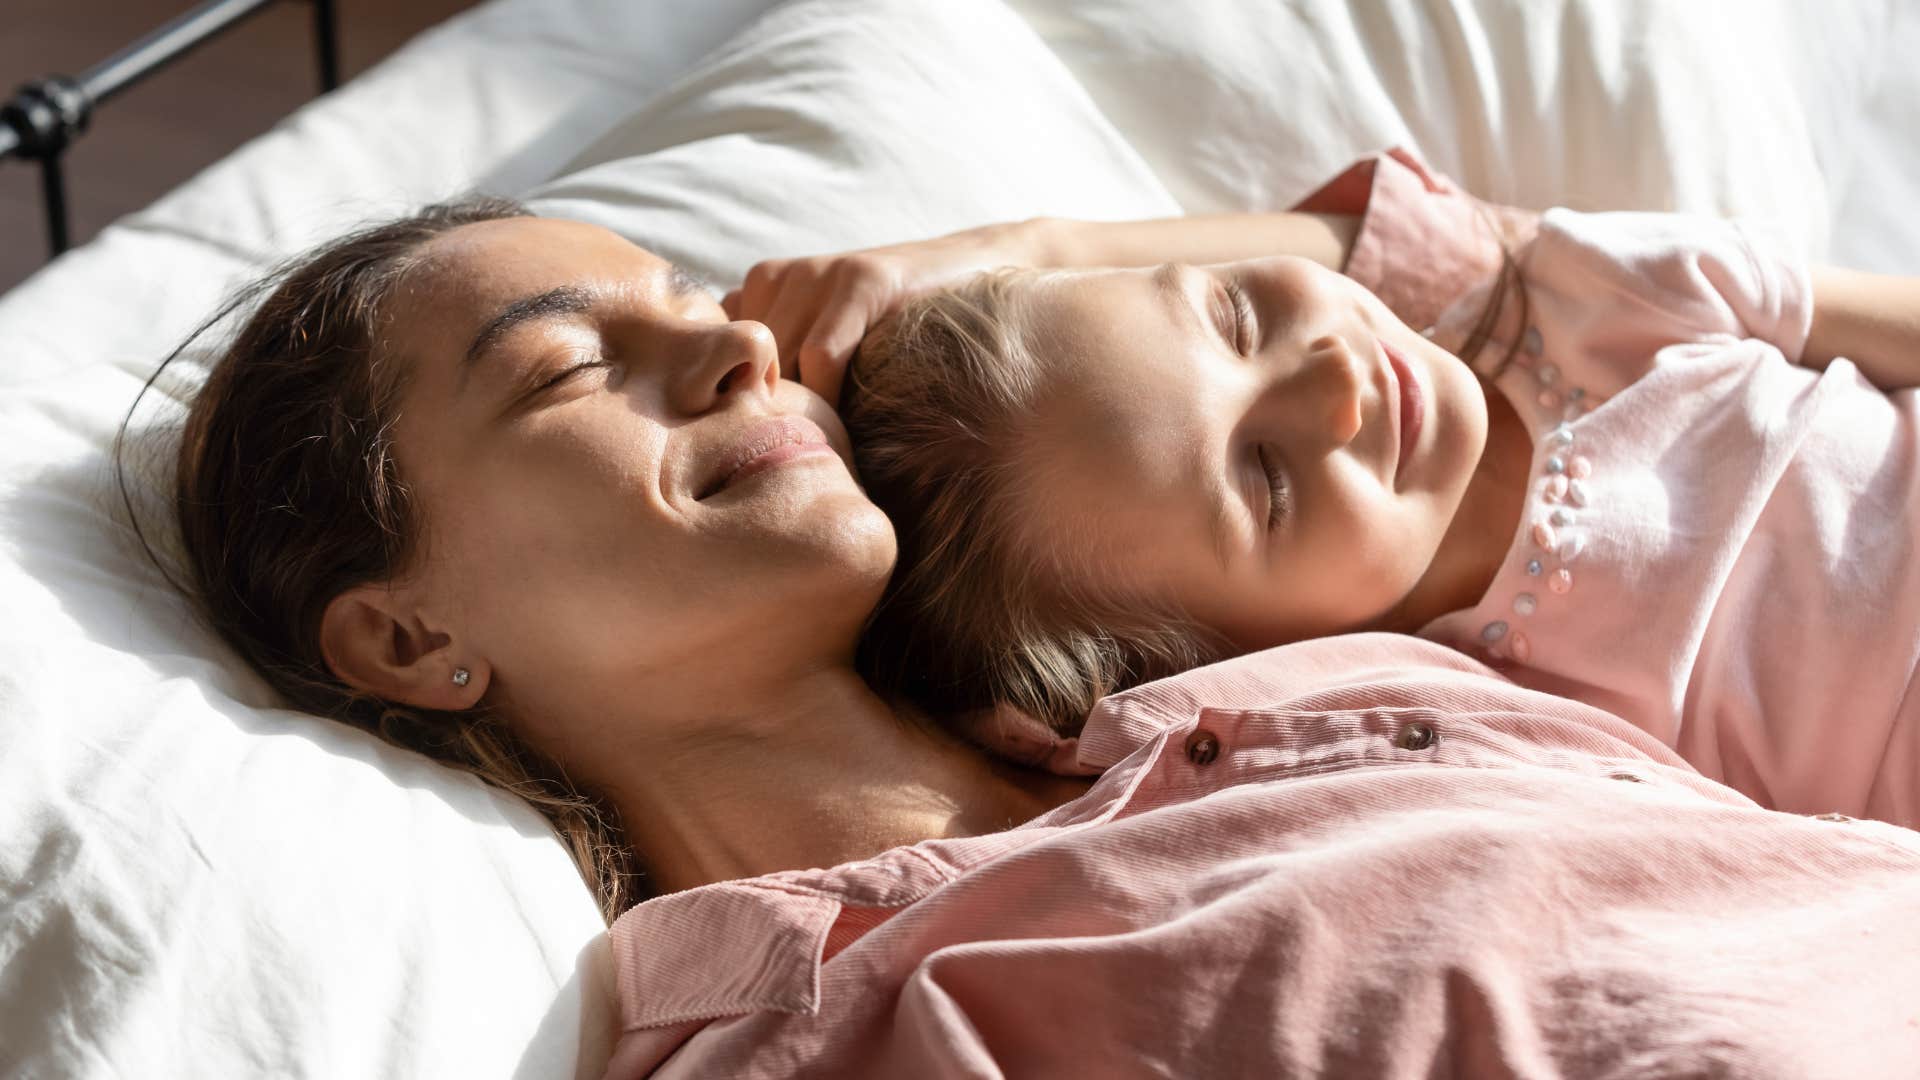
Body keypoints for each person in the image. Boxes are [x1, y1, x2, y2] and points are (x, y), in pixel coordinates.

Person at [137, 170, 1920, 1078]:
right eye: (568, 369)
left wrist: (978, 263)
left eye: (691, 300)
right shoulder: (809, 1026)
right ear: (405, 637)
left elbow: (1453, 278)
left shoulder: (1282, 631)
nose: (734, 344)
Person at [737, 149, 1920, 829]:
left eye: (1237, 312)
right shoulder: (1473, 725)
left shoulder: (1585, 302)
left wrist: (1032, 249)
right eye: (1263, 477)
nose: (1340, 387)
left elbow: (1379, 242)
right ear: (1210, 655)